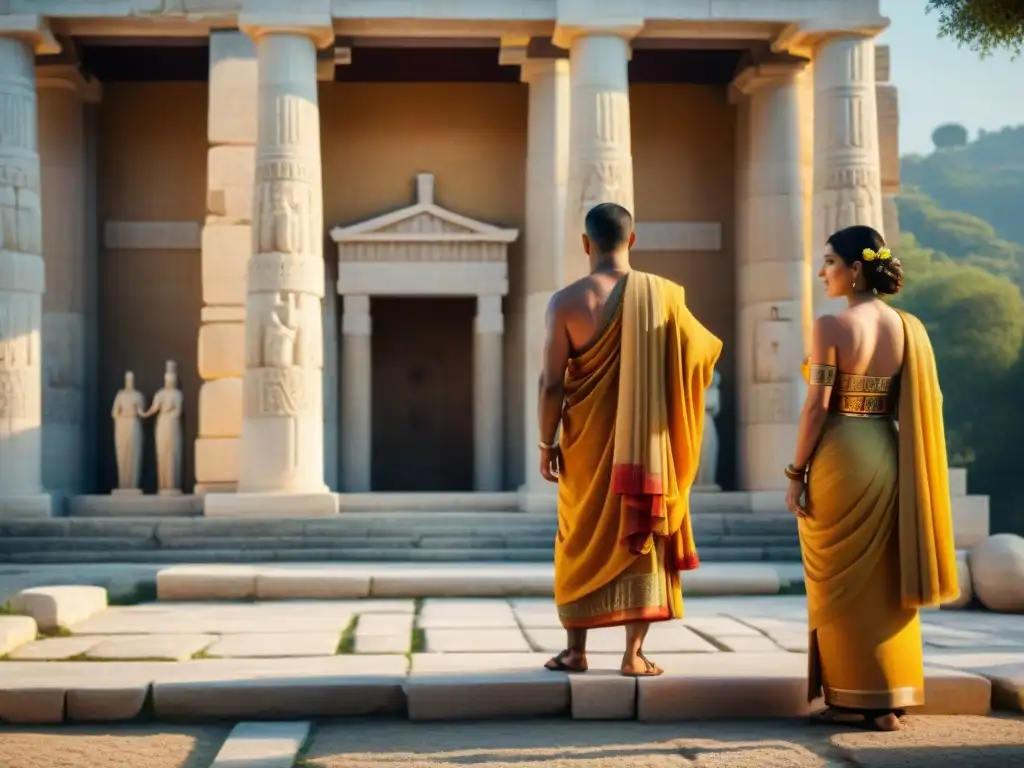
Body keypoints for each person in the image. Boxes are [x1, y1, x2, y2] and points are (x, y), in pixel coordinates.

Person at [785, 225, 959, 731]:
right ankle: (889, 694)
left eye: (830, 263)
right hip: (886, 447)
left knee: (838, 577)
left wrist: (796, 472)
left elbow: (817, 407)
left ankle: (853, 694)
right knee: (883, 575)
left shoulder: (831, 327)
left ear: (855, 269)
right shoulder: (908, 327)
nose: (823, 273)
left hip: (842, 452)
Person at [536, 202, 722, 677]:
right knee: (640, 538)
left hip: (584, 442)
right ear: (632, 240)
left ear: (585, 244)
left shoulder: (565, 302)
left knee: (576, 535)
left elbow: (550, 383)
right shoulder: (663, 297)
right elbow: (701, 355)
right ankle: (632, 654)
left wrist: (546, 443)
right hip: (646, 448)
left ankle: (575, 651)